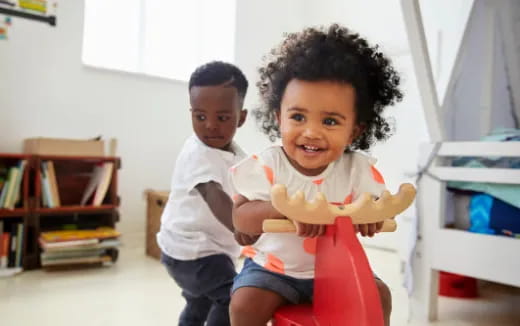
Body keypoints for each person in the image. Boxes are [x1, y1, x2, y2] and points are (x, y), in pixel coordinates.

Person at [229, 24, 402, 326]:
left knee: (379, 296)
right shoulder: (269, 164)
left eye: (331, 121)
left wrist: (371, 214)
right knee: (244, 305)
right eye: (297, 117)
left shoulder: (356, 169)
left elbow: (374, 202)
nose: (311, 132)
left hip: (337, 269)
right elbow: (241, 217)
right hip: (274, 270)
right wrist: (282, 210)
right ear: (278, 118)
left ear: (355, 130)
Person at [157, 61, 250, 326]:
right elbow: (213, 195)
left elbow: (250, 186)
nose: (209, 125)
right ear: (191, 113)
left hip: (206, 250)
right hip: (192, 250)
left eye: (222, 118)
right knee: (233, 298)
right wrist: (243, 227)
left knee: (200, 304)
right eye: (200, 116)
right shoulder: (197, 153)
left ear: (241, 118)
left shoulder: (236, 155)